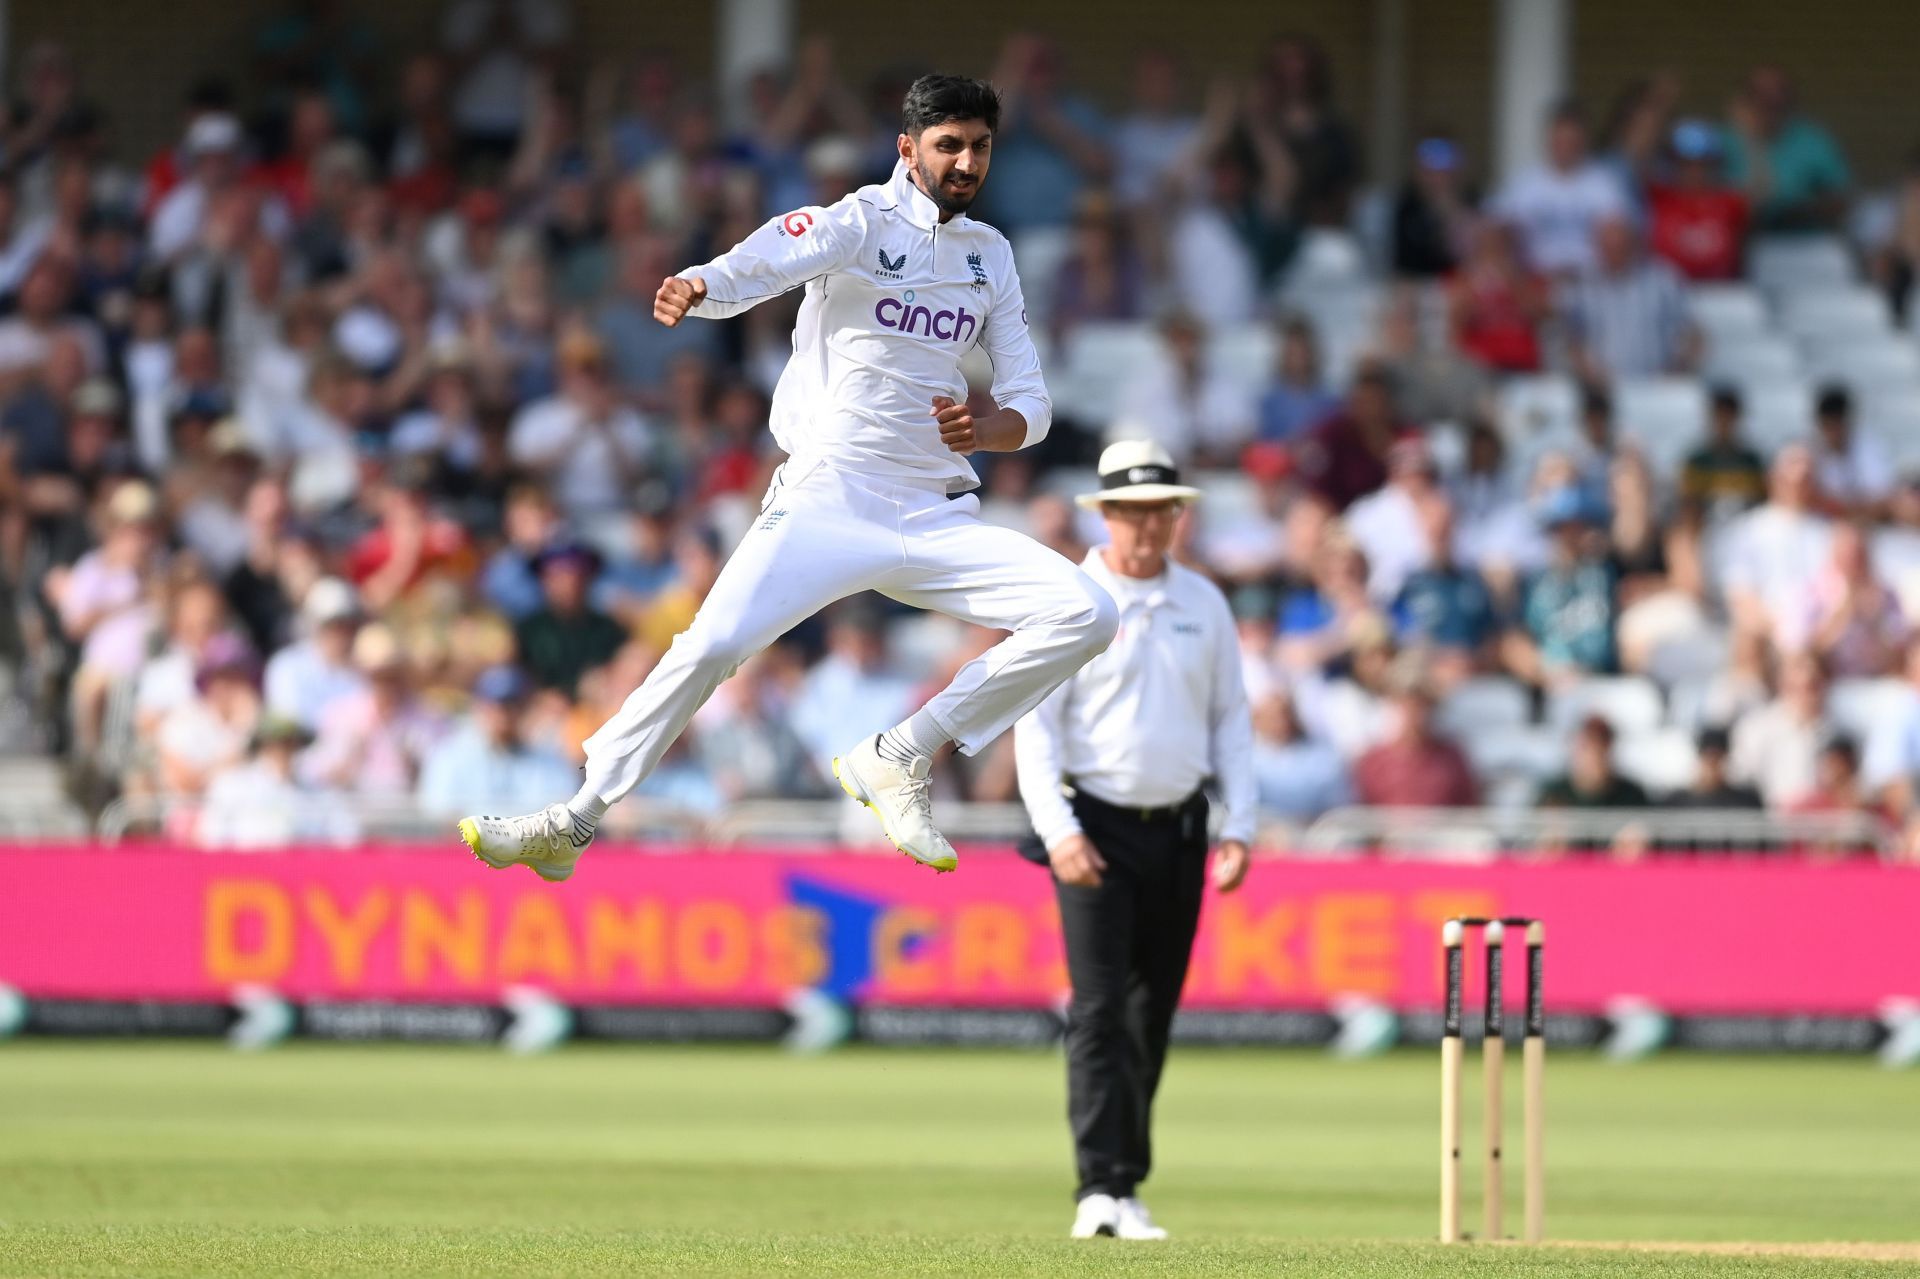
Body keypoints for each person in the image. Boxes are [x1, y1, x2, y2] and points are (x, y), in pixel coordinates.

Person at [460, 75, 1117, 881]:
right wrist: (703, 285)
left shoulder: (991, 255)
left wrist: (983, 428)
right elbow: (773, 253)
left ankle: (902, 752)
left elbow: (1032, 406)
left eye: (979, 145)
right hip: (829, 497)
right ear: (908, 148)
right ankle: (575, 817)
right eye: (949, 144)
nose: (966, 161)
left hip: (932, 512)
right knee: (713, 644)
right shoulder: (857, 221)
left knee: (1087, 610)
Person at [1013, 440, 1252, 1241]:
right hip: (1095, 827)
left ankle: (1127, 1183)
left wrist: (1239, 825)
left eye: (1162, 511)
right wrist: (1059, 832)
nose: (1148, 527)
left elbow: (1232, 723)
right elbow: (1034, 729)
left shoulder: (1204, 603)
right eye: (1133, 512)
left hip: (1180, 828)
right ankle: (1097, 1186)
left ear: (1178, 516)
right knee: (1099, 1008)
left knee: (1152, 1013)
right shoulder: (1072, 600)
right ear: (1106, 514)